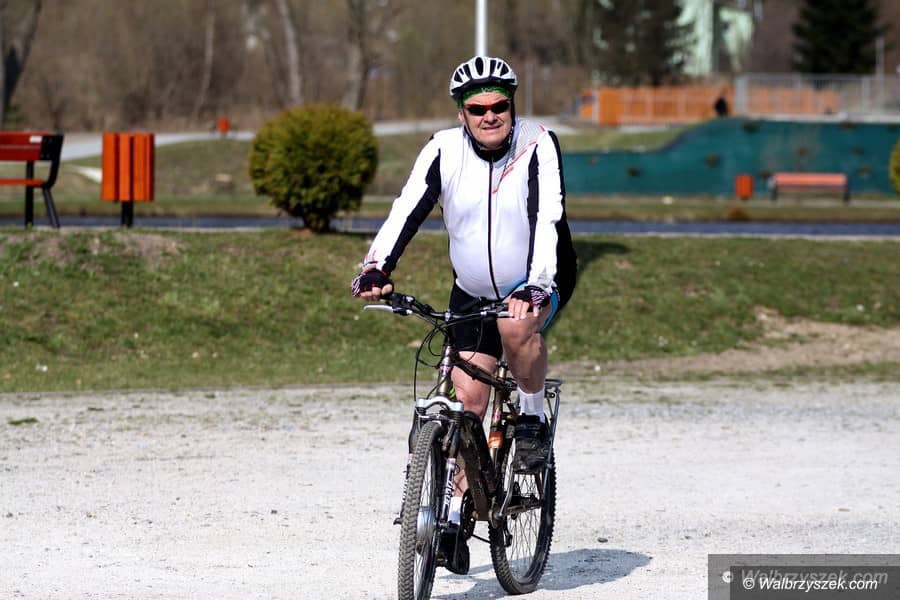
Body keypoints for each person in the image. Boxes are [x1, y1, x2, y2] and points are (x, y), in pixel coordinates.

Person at [351, 55, 577, 571]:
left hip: (535, 279)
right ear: (462, 114)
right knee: (468, 403)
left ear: (512, 107)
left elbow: (548, 217)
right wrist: (376, 267)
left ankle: (533, 420)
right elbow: (407, 208)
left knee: (515, 328)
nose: (490, 115)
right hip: (472, 290)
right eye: (478, 108)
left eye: (500, 106)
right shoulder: (443, 150)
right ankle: (453, 515)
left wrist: (537, 284)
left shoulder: (538, 143)